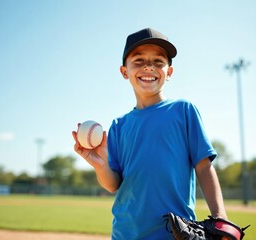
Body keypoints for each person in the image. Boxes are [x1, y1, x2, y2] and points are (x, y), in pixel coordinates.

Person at [72, 28, 228, 239]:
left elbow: (204, 166)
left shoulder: (183, 111)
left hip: (173, 232)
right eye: (138, 60)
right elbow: (113, 184)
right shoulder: (119, 125)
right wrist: (100, 165)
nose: (148, 66)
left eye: (158, 61)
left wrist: (220, 219)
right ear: (124, 71)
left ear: (169, 72)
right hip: (125, 232)